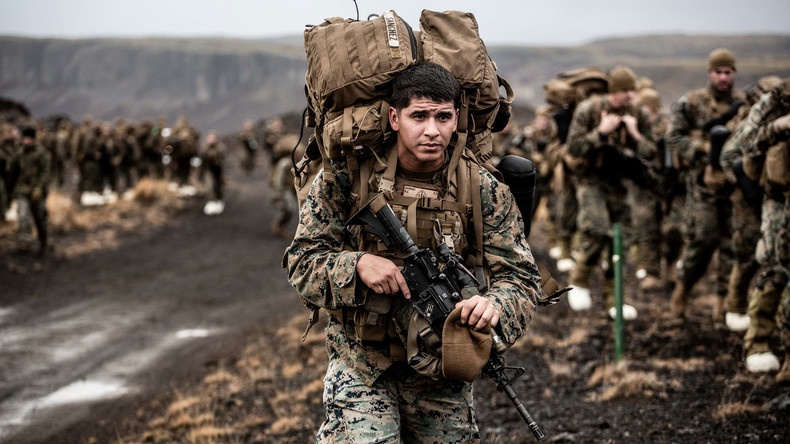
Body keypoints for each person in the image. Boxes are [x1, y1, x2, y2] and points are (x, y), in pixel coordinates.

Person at [284, 62, 540, 442]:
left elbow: (522, 277)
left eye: (443, 117)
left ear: (457, 119)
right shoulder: (346, 175)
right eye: (418, 116)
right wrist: (356, 266)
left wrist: (495, 306)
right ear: (394, 117)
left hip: (442, 370)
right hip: (363, 365)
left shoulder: (481, 187)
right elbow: (301, 261)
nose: (432, 130)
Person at [564, 65, 655, 320]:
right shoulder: (589, 110)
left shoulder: (637, 113)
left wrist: (636, 135)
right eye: (625, 90)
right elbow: (574, 148)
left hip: (619, 183)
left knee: (621, 239)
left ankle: (615, 299)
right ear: (613, 91)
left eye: (632, 90)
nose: (629, 95)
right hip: (590, 179)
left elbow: (653, 152)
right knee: (596, 228)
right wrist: (600, 133)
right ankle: (579, 279)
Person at [667, 48, 747, 321]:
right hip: (702, 186)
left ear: (734, 73)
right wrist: (703, 148)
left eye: (728, 72)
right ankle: (683, 289)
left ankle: (723, 302)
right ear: (710, 73)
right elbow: (674, 138)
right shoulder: (692, 103)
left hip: (734, 185)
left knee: (732, 245)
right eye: (718, 72)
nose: (723, 77)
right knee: (702, 240)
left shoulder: (744, 104)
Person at [723, 77, 790, 379]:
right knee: (776, 268)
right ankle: (759, 342)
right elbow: (739, 147)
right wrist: (777, 127)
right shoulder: (776, 101)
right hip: (780, 200)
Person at [8, 126, 51, 254]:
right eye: (24, 138)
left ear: (33, 139)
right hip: (22, 190)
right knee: (22, 217)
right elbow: (12, 174)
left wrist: (39, 187)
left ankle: (43, 241)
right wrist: (10, 191)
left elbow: (46, 172)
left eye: (29, 139)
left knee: (40, 218)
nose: (26, 141)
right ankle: (24, 243)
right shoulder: (19, 154)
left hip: (37, 192)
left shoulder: (41, 153)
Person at [200, 131, 226, 215]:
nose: (211, 140)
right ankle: (211, 200)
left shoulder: (220, 147)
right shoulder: (204, 148)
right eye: (209, 138)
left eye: (212, 138)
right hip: (208, 170)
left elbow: (222, 157)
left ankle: (218, 200)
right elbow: (202, 157)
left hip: (218, 170)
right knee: (210, 185)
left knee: (218, 185)